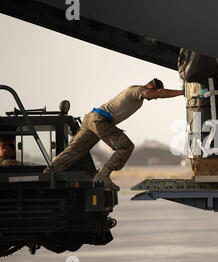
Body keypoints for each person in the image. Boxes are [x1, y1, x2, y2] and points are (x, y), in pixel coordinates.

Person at [44, 79, 184, 190]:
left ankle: (47, 174)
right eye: (156, 95)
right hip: (100, 120)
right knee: (126, 147)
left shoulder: (138, 96)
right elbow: (156, 93)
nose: (154, 99)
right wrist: (182, 92)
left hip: (92, 118)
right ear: (152, 87)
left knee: (74, 151)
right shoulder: (138, 90)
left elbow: (156, 94)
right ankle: (103, 175)